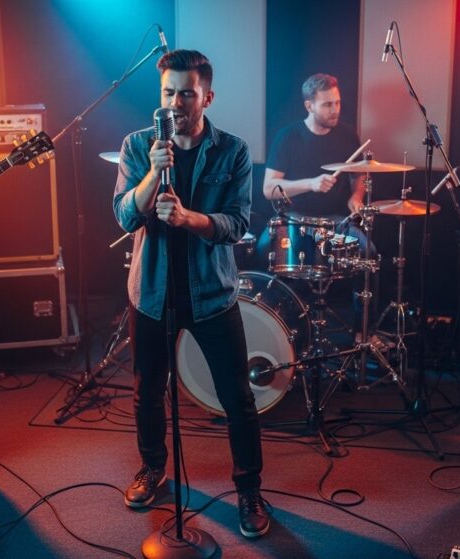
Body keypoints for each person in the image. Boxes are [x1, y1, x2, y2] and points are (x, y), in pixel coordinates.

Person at [112, 49, 270, 539]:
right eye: (168, 93)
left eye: (186, 94)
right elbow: (125, 215)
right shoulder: (138, 145)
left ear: (207, 97)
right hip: (152, 292)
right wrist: (152, 173)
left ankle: (248, 490)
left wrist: (189, 219)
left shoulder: (233, 151)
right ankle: (152, 469)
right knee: (146, 392)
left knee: (236, 396)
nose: (175, 103)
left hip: (211, 293)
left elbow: (237, 224)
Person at [262, 73, 365, 218]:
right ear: (309, 106)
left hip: (337, 219)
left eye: (337, 103)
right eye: (327, 105)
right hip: (296, 218)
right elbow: (268, 189)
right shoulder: (288, 137)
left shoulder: (348, 135)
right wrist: (311, 184)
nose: (335, 110)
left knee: (364, 234)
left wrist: (357, 196)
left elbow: (359, 176)